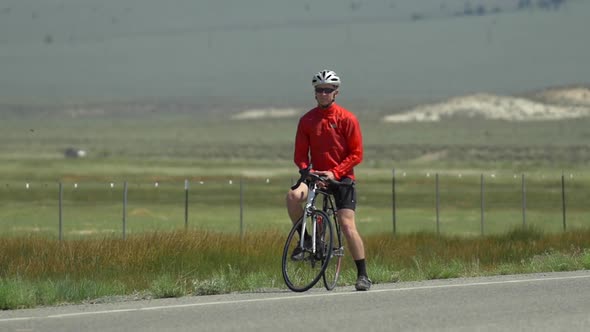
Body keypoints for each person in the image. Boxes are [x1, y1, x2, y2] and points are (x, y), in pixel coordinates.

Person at [286, 69, 371, 291]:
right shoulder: (307, 120)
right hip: (315, 176)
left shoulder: (347, 118)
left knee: (346, 224)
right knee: (293, 196)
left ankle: (363, 274)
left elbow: (357, 154)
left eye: (328, 90)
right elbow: (300, 155)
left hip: (342, 179)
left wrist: (336, 172)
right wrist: (307, 170)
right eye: (319, 90)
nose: (323, 93)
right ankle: (305, 240)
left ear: (336, 92)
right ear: (314, 93)